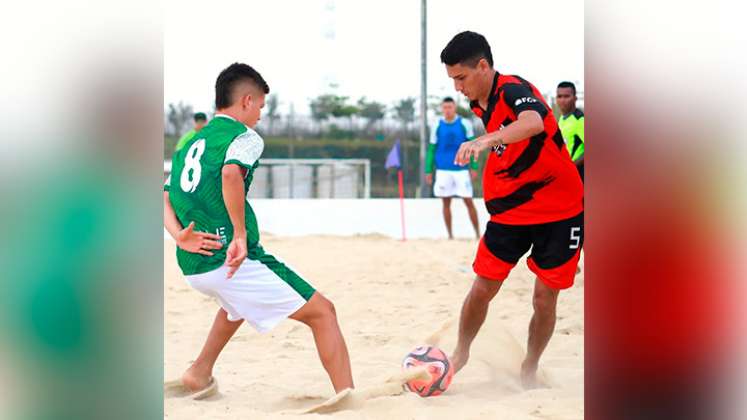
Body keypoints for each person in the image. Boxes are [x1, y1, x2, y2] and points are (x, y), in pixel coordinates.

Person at [163, 63, 354, 394]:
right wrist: (239, 235)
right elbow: (230, 174)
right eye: (261, 107)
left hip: (193, 264)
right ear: (246, 101)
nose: (260, 116)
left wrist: (179, 235)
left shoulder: (191, 143)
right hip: (227, 257)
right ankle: (349, 398)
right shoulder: (244, 137)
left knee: (234, 306)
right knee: (324, 312)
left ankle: (199, 372)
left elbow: (163, 195)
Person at [440, 31, 584, 388]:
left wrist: (486, 139)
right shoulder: (478, 103)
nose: (458, 87)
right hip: (512, 211)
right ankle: (461, 353)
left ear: (483, 66)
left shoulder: (512, 89)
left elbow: (533, 122)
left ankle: (530, 367)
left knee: (544, 297)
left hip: (561, 209)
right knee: (483, 287)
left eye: (461, 77)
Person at [425, 97, 481, 239]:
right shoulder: (437, 125)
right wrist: (428, 170)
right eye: (445, 108)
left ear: (454, 107)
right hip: (443, 170)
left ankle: (477, 234)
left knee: (468, 200)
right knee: (445, 202)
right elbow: (432, 148)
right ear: (442, 109)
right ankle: (450, 235)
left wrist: (473, 166)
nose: (447, 110)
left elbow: (472, 145)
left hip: (461, 169)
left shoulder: (464, 124)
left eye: (450, 107)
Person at [556, 81, 584, 181]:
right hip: (566, 175)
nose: (562, 100)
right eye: (559, 96)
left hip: (580, 176)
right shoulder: (562, 119)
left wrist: (573, 166)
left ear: (575, 98)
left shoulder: (580, 120)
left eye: (566, 96)